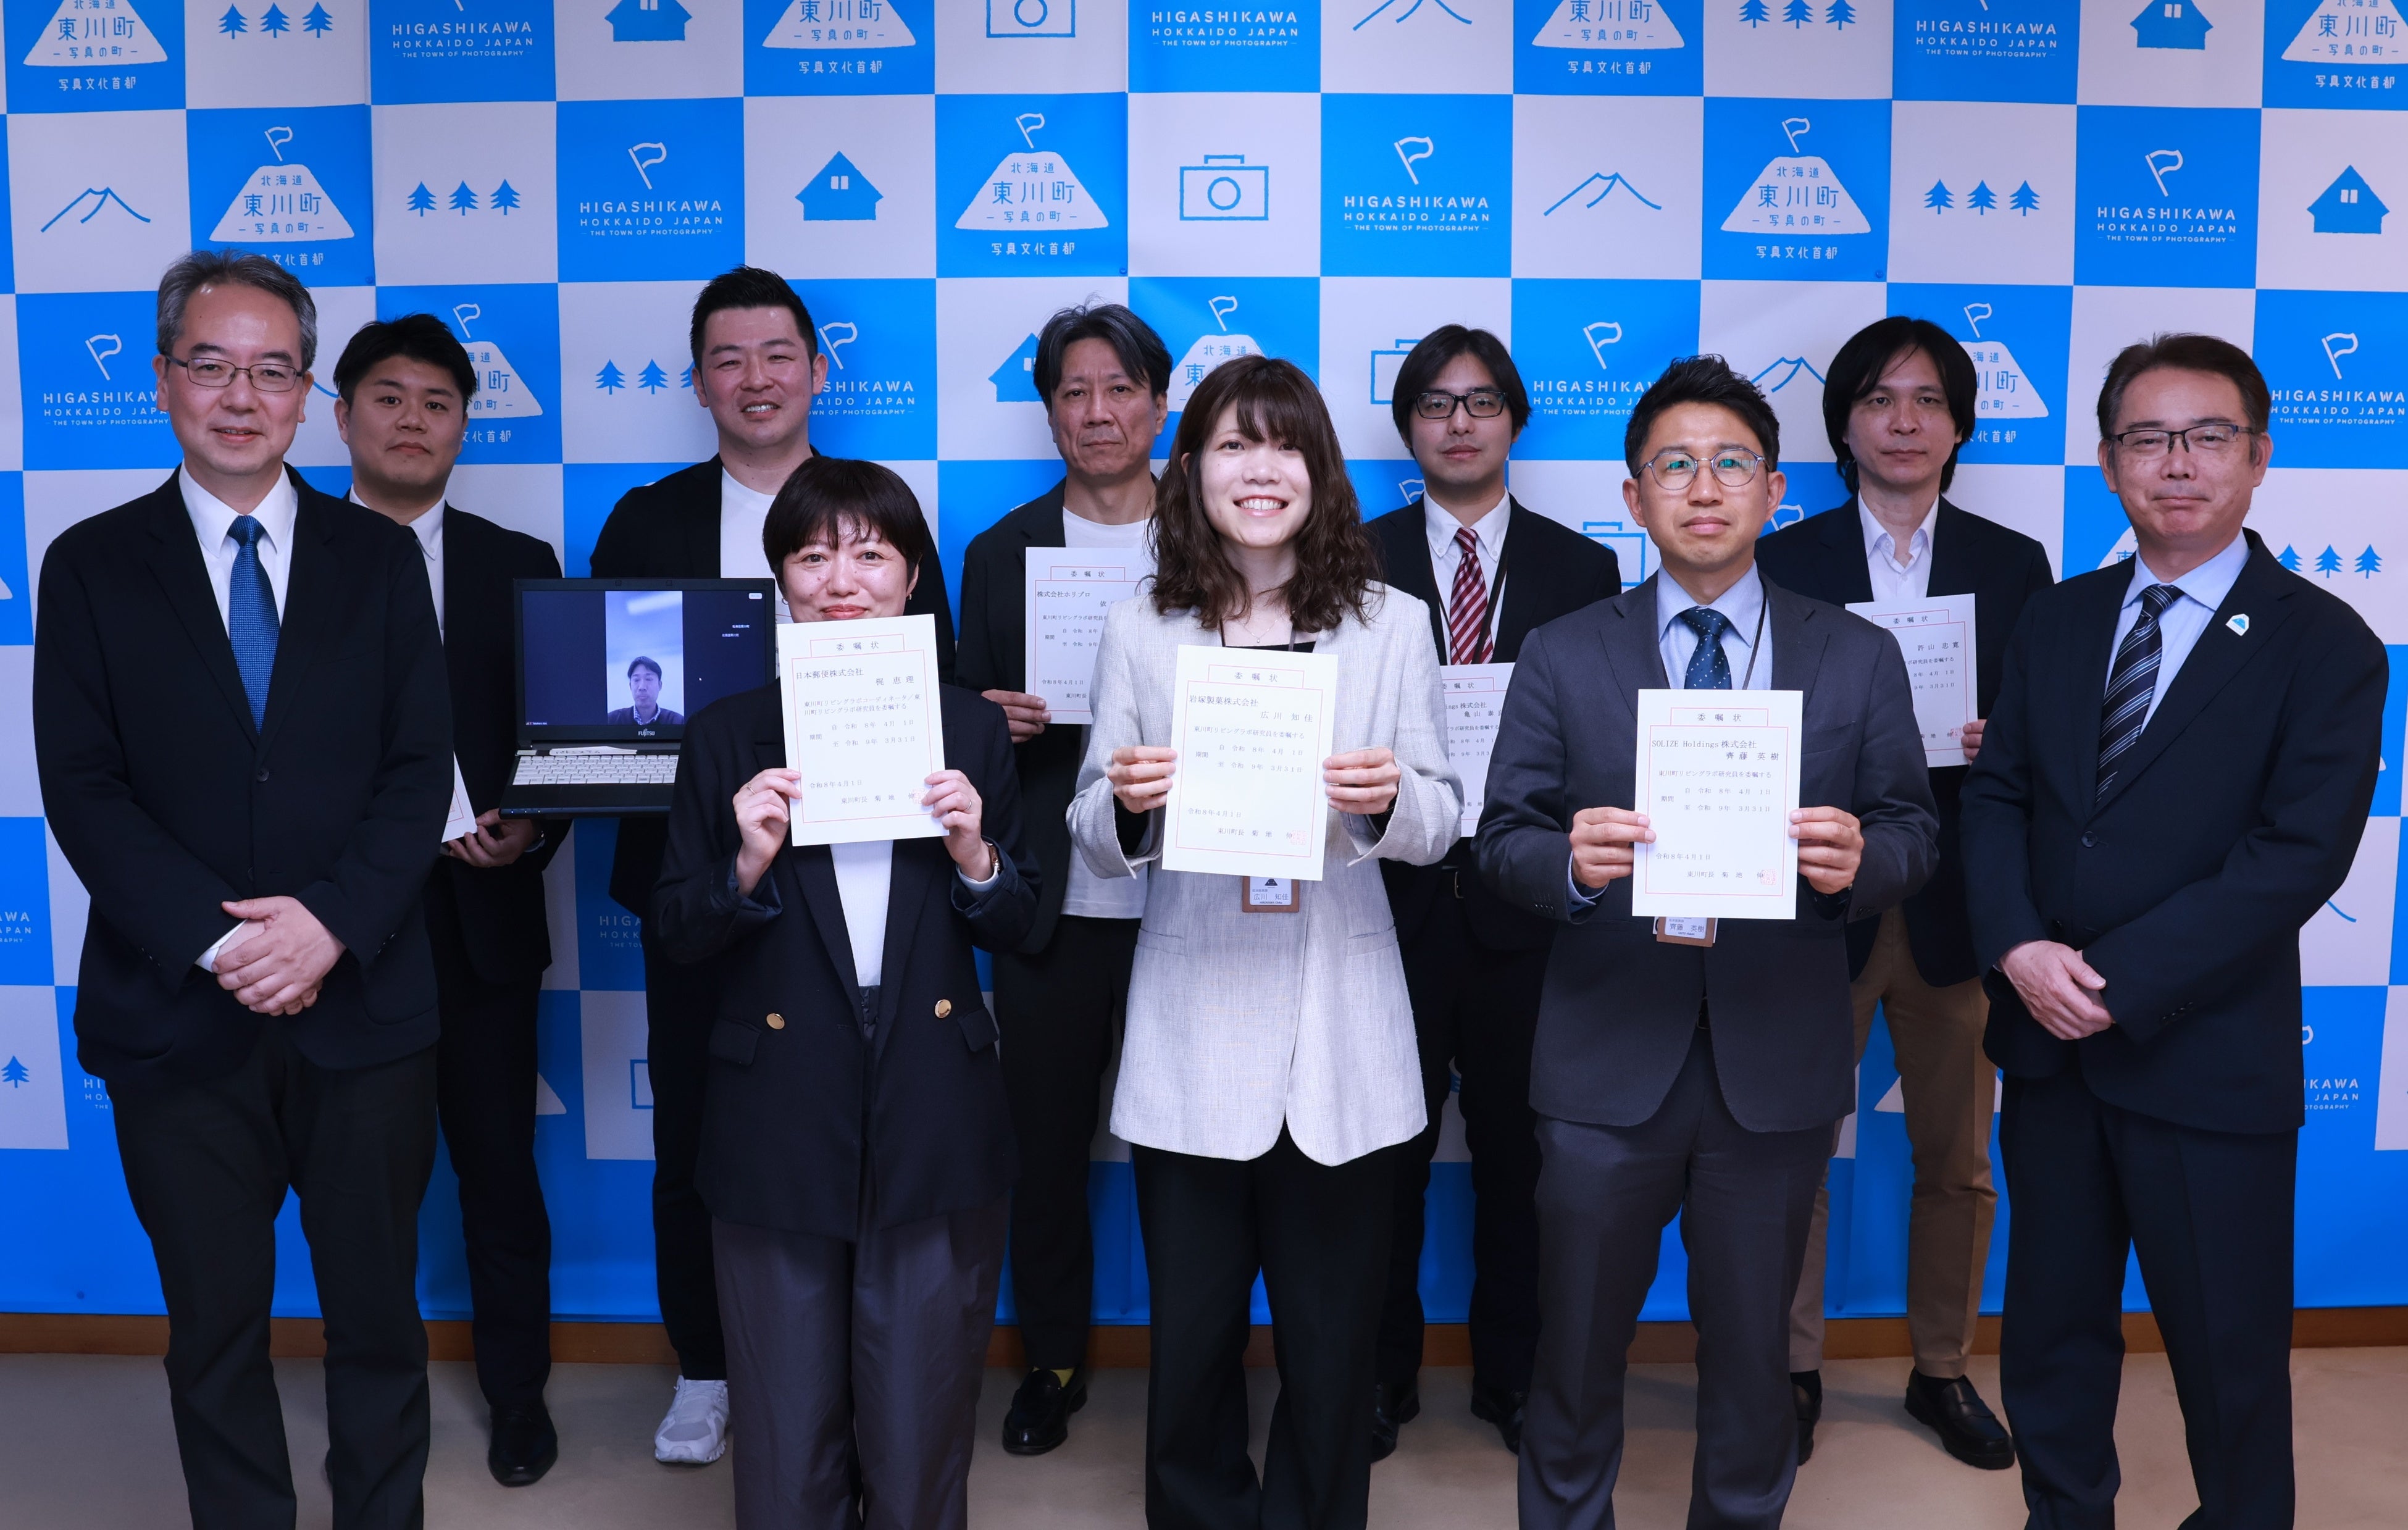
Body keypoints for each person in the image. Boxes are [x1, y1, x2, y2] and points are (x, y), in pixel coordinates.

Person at [1477, 355, 1939, 1529]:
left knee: (1751, 1364)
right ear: (1633, 497)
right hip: (1603, 1056)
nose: (1703, 486)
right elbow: (1503, 837)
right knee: (1575, 1352)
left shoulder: (1856, 653)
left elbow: (1912, 828)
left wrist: (1861, 861)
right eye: (1674, 464)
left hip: (1775, 1055)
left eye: (1731, 462)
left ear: (1775, 490)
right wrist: (1568, 861)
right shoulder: (1564, 649)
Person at [33, 252, 453, 1527]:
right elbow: (85, 788)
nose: (240, 395)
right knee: (214, 1330)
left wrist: (328, 926)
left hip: (362, 1008)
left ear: (306, 393)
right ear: (163, 380)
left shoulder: (380, 559)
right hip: (178, 1016)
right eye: (211, 365)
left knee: (377, 1321)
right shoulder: (93, 563)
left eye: (272, 370)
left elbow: (416, 771)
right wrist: (227, 949)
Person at [1960, 334, 2385, 1530]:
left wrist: (2109, 979)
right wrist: (2019, 948)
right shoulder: (2057, 618)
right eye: (2148, 438)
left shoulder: (2324, 641)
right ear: (2108, 462)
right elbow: (1997, 796)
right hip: (2049, 1045)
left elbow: (2295, 856)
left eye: (2208, 437)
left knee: (2227, 1350)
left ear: (2258, 456)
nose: (2178, 463)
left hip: (2206, 1057)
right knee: (2050, 1330)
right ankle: (2065, 1512)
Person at [1069, 354, 1461, 1530]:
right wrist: (1130, 802)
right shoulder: (1142, 627)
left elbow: (1444, 816)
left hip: (1343, 1033)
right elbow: (1088, 828)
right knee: (1191, 1339)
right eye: (1235, 444)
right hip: (1194, 1031)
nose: (1261, 468)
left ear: (1319, 471)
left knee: (1333, 1345)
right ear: (1192, 468)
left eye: (1285, 444)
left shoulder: (1392, 624)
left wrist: (1389, 799)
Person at [588, 265, 955, 1463]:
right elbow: (600, 702)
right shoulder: (646, 519)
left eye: (778, 354)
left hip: (868, 877)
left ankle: (844, 1365)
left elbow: (932, 677)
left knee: (852, 1125)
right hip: (703, 877)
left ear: (817, 369)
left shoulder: (874, 513)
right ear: (698, 380)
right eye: (729, 358)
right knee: (696, 1126)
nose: (756, 378)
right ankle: (706, 1365)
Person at [651, 455, 1037, 1529]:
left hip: (932, 1100)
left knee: (918, 1428)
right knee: (785, 1439)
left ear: (910, 577)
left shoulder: (970, 729)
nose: (841, 579)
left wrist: (976, 854)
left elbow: (1022, 922)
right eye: (814, 556)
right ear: (781, 577)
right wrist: (743, 864)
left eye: (870, 554)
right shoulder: (726, 731)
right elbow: (676, 930)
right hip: (777, 1102)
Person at [1754, 315, 2053, 1469]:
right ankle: (1790, 1369)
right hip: (1813, 896)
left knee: (1959, 1159)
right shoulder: (1785, 559)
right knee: (1792, 1149)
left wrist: (2002, 739)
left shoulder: (2012, 565)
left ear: (1961, 426)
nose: (1905, 421)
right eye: (1880, 399)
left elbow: (2044, 751)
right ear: (1844, 425)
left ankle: (1941, 1367)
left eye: (1929, 400)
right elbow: (1749, 730)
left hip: (1957, 902)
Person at [1361, 326, 1621, 1459]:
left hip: (1529, 912)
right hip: (1388, 905)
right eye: (1435, 403)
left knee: (1524, 1163)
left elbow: (1601, 732)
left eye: (1480, 402)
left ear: (1516, 418)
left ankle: (1514, 1375)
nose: (1459, 423)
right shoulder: (1353, 558)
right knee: (1383, 1159)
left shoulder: (1583, 568)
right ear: (1408, 427)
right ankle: (1380, 1375)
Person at [333, 311, 569, 1488]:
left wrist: (536, 826)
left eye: (438, 401)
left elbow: (564, 738)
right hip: (340, 933)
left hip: (483, 921)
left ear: (466, 425)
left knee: (499, 1176)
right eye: (389, 397)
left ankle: (519, 1397)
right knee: (359, 1194)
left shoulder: (518, 561)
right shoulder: (283, 559)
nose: (413, 419)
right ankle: (370, 1417)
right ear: (342, 416)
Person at [955, 301, 1172, 1455]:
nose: (1098, 412)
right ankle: (1052, 1357)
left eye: (1120, 388)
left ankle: (1195, 1361)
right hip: (1052, 899)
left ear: (1160, 404)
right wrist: (987, 722)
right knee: (1042, 1150)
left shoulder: (1217, 535)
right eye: (1074, 391)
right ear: (1047, 410)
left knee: (1195, 1149)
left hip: (1194, 894)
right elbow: (953, 732)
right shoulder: (1002, 552)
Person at [606, 656, 684, 726]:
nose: (642, 687)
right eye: (636, 680)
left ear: (660, 685)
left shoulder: (677, 721)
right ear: (630, 686)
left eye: (649, 679)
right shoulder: (612, 720)